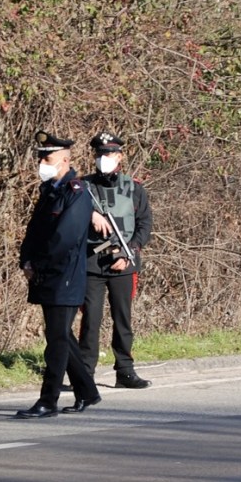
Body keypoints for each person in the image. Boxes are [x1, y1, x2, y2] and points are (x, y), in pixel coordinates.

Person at [16, 131, 101, 418]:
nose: (42, 162)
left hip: (63, 276)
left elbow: (64, 238)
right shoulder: (49, 191)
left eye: (48, 158)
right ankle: (88, 392)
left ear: (65, 160)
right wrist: (25, 259)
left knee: (56, 342)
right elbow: (34, 232)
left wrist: (38, 263)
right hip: (46, 274)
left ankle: (48, 400)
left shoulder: (76, 193)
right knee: (61, 336)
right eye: (41, 157)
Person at [79, 131, 154, 389]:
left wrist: (128, 252)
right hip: (91, 263)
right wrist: (90, 214)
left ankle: (125, 371)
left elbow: (144, 225)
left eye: (109, 153)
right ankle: (85, 373)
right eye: (100, 154)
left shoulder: (134, 188)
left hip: (124, 263)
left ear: (120, 156)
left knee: (123, 319)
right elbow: (64, 211)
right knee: (91, 320)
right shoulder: (82, 187)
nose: (104, 158)